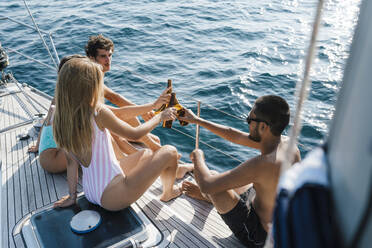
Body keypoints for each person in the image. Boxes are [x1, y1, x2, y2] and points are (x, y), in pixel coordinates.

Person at [53, 57, 182, 210]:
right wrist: (160, 116)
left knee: (145, 154)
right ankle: (169, 192)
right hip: (112, 197)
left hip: (91, 190)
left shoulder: (61, 117)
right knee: (170, 152)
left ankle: (132, 182)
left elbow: (71, 163)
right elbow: (134, 134)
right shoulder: (98, 112)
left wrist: (72, 196)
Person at [179, 95, 301, 247]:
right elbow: (235, 136)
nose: (248, 124)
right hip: (268, 211)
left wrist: (198, 158)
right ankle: (210, 199)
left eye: (250, 120)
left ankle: (210, 198)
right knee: (228, 179)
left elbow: (206, 185)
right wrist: (197, 120)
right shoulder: (288, 144)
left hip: (259, 235)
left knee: (214, 183)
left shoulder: (263, 164)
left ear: (263, 126)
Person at [85, 34, 193, 178]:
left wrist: (142, 112)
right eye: (103, 56)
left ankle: (157, 151)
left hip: (96, 122)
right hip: (89, 130)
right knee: (121, 137)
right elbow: (116, 115)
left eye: (110, 55)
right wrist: (150, 108)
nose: (108, 60)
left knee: (153, 139)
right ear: (92, 58)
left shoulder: (95, 74)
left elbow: (114, 97)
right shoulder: (89, 79)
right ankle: (164, 162)